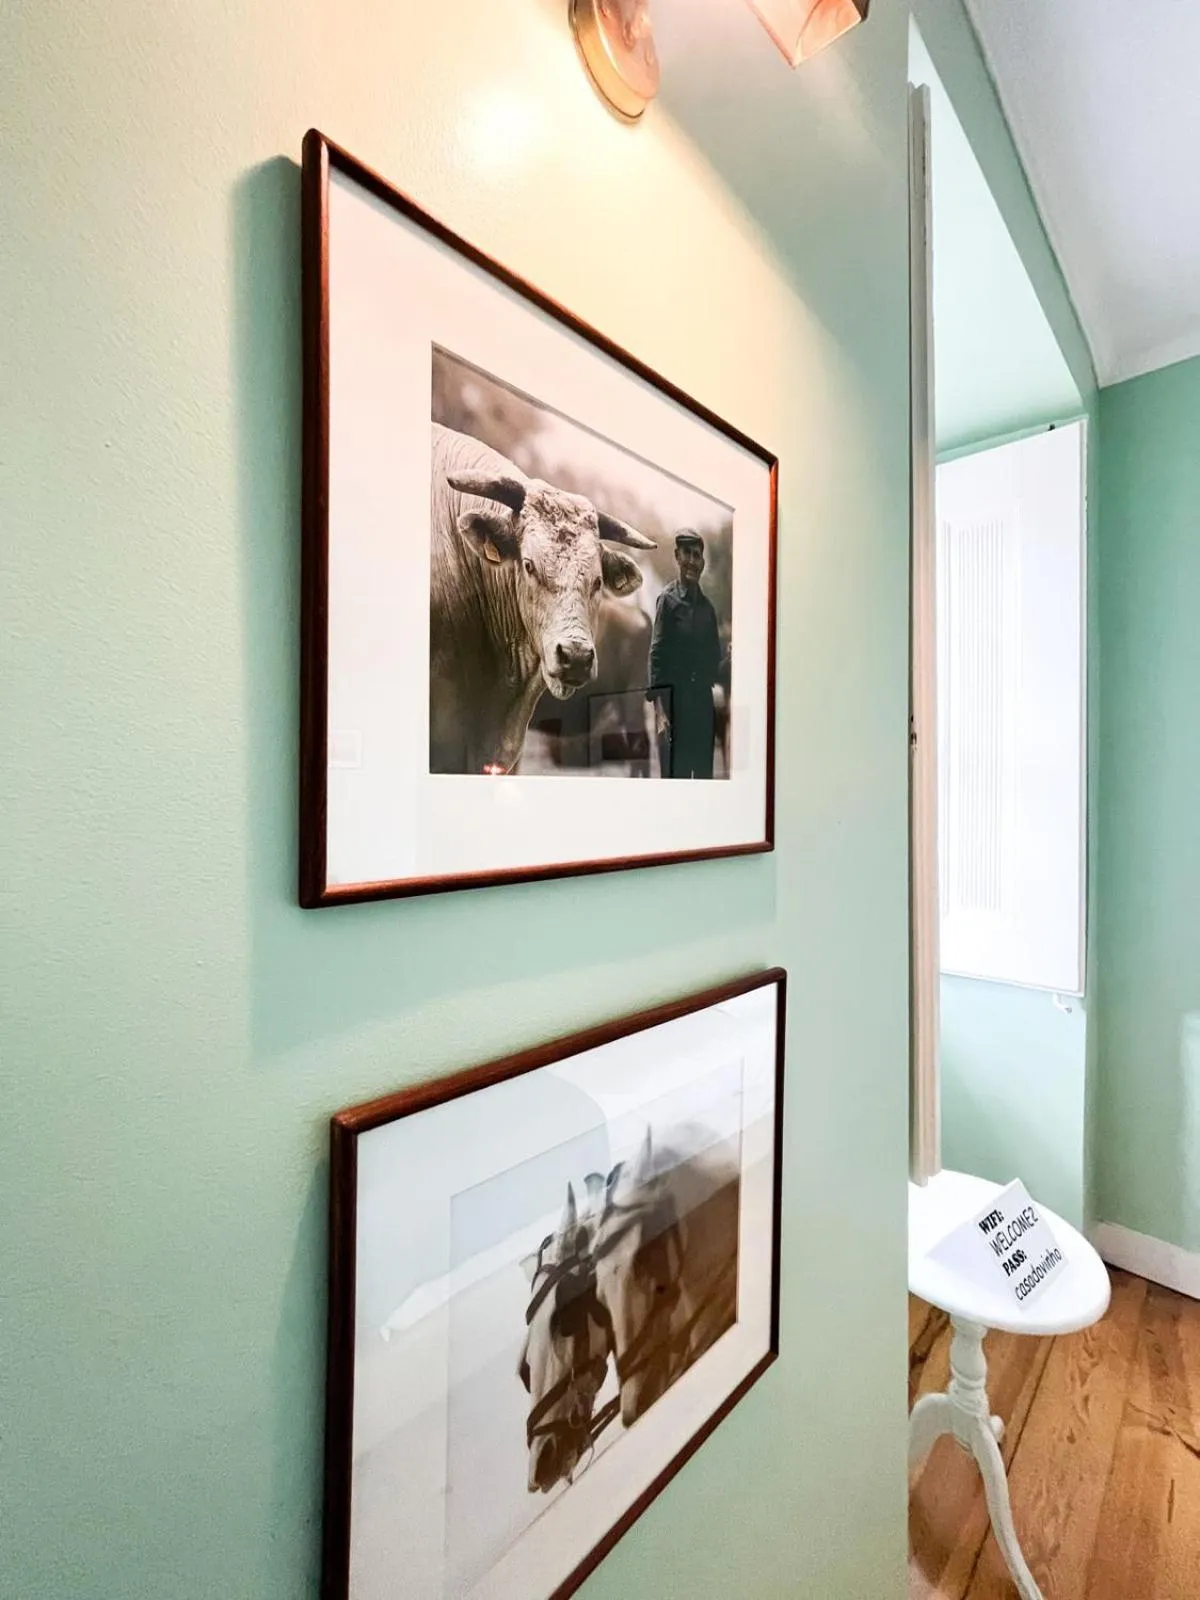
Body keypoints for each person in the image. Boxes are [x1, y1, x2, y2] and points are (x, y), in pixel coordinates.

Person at [647, 530, 724, 779]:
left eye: (697, 555)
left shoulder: (708, 610)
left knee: (702, 781)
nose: (692, 561)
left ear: (702, 562)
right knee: (674, 784)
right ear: (677, 557)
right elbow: (657, 656)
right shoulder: (667, 603)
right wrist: (660, 713)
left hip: (701, 710)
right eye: (687, 554)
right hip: (673, 712)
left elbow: (714, 660)